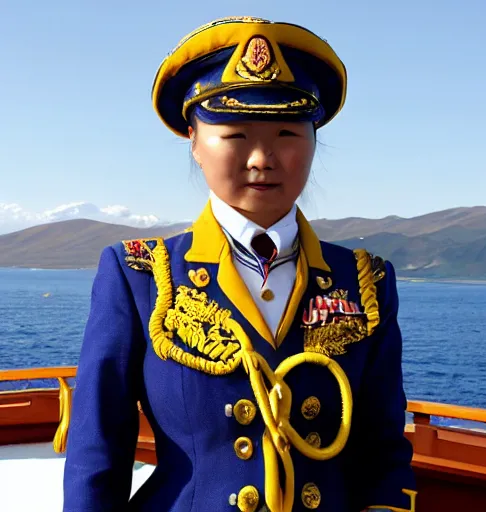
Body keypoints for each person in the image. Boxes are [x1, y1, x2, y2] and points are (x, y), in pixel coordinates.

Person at [63, 16, 417, 512]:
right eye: (234, 135)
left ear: (314, 139)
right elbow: (97, 452)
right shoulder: (141, 276)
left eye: (287, 132)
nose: (262, 158)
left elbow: (383, 449)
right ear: (193, 139)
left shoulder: (364, 282)